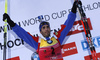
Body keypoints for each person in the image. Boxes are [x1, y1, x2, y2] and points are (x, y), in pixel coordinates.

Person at [3, 1, 82, 60]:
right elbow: (23, 34)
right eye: (43, 28)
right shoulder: (37, 42)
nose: (46, 29)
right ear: (40, 31)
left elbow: (67, 25)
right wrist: (10, 22)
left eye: (47, 27)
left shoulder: (57, 37)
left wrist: (74, 9)